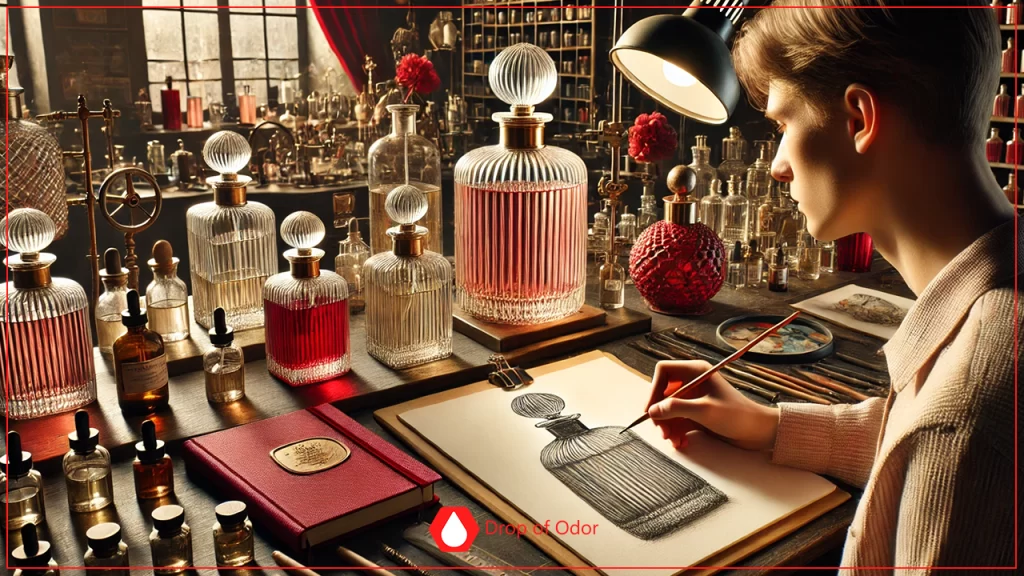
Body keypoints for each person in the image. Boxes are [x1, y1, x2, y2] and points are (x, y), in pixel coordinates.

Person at [645, 1, 1020, 570]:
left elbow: (947, 438)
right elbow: (914, 443)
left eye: (783, 125)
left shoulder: (967, 413)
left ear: (860, 119)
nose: (777, 166)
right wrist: (768, 425)